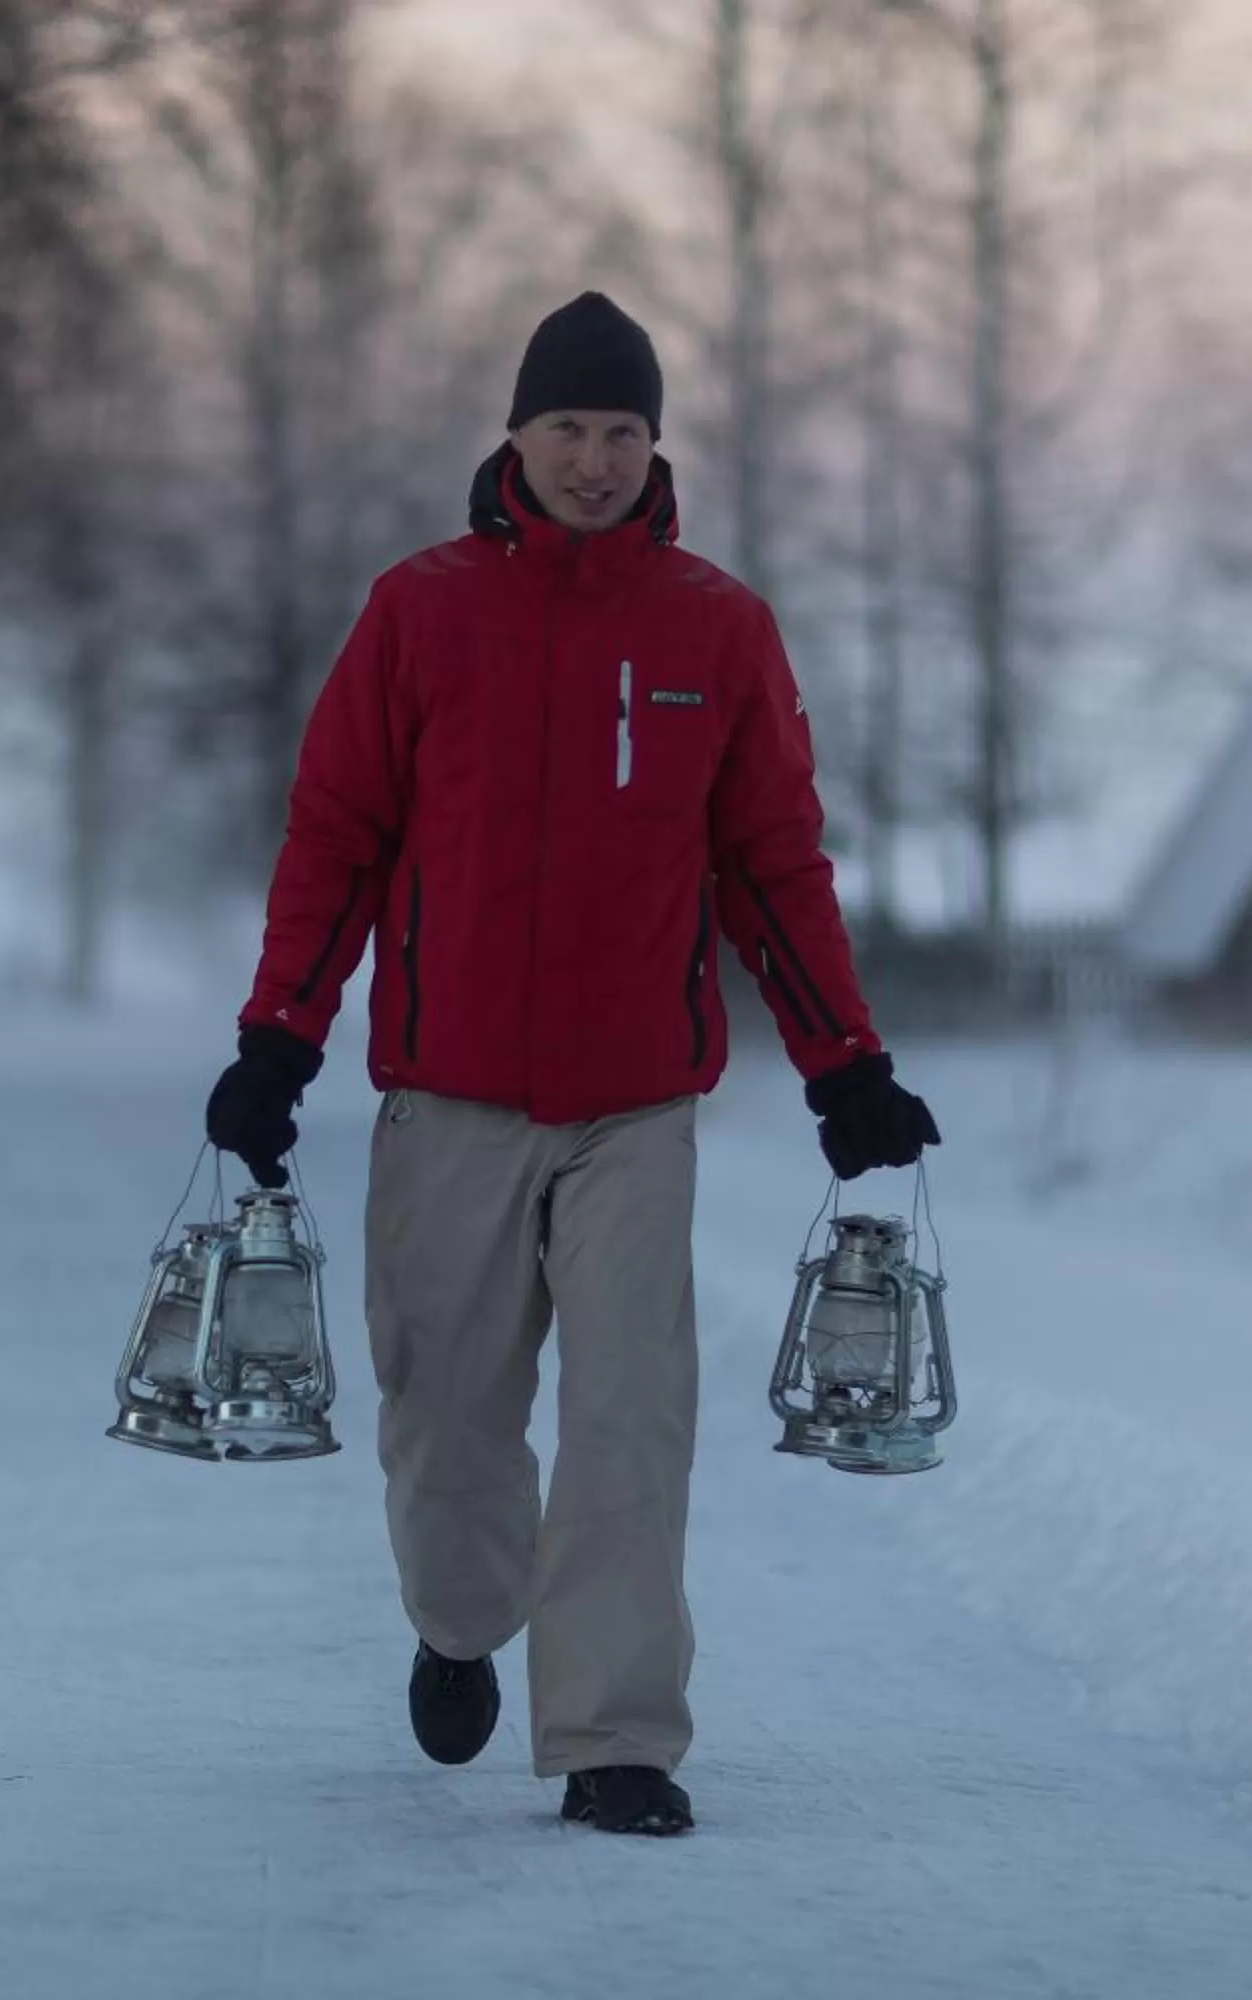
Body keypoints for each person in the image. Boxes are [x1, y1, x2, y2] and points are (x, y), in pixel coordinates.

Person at [204, 291, 939, 1838]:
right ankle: (461, 1624)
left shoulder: (714, 628)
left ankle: (615, 1737)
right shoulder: (420, 614)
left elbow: (773, 864)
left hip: (635, 1105)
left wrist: (844, 1065)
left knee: (628, 1410)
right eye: (568, 429)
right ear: (515, 438)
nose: (595, 460)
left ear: (655, 446)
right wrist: (281, 1037)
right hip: (449, 1092)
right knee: (450, 1413)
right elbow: (337, 839)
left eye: (622, 432)